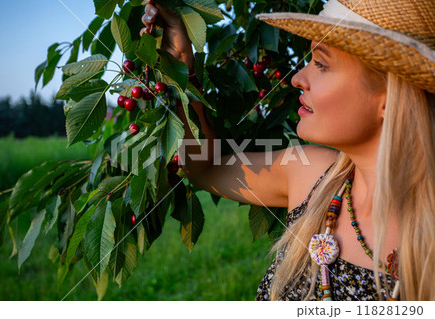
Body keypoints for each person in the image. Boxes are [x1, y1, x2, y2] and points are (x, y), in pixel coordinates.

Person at [141, 0, 435, 301]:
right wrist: (180, 66)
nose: (297, 79)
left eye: (321, 64)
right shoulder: (312, 174)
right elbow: (205, 167)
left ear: (387, 99)